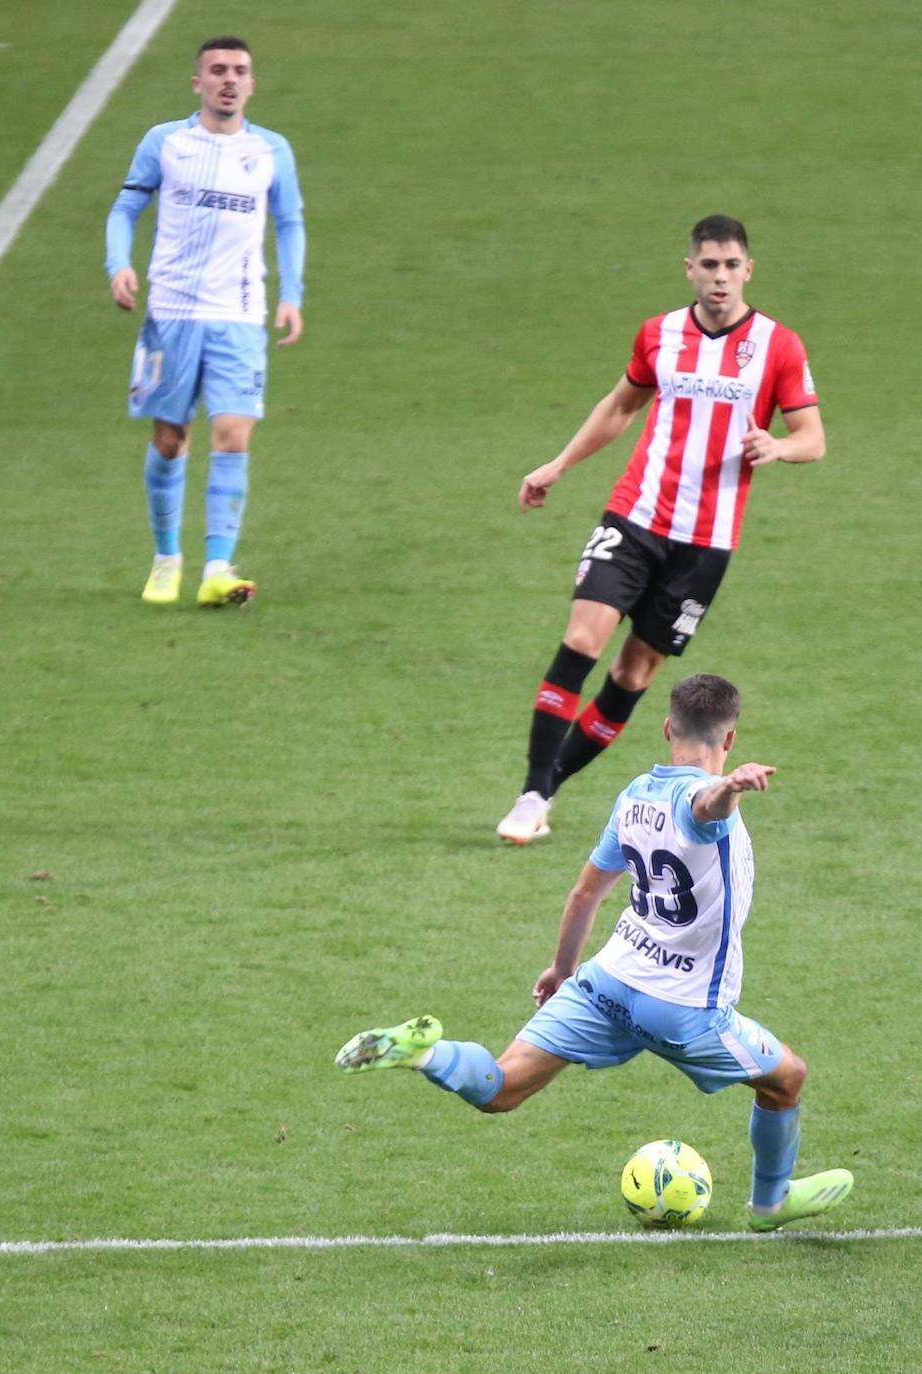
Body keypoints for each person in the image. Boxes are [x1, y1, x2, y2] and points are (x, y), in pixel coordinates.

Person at [337, 674, 854, 1233]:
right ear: (729, 740)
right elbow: (703, 809)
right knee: (787, 1079)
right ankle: (769, 1203)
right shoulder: (703, 801)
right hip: (683, 1007)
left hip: (607, 979)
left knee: (503, 1089)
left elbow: (586, 892)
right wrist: (732, 786)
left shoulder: (634, 795)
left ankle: (424, 1055)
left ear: (666, 729)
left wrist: (561, 970)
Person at [497, 215, 824, 843]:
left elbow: (813, 438)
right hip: (637, 517)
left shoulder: (780, 346)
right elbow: (621, 405)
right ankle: (531, 790)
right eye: (709, 265)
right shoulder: (661, 334)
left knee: (632, 676)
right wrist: (559, 464)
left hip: (705, 544)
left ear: (748, 270)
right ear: (690, 270)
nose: (720, 277)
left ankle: (550, 789)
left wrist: (778, 448)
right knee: (581, 639)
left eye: (731, 265)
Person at [105, 36, 305, 607]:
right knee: (170, 439)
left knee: (234, 432)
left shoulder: (272, 151)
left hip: (239, 315)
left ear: (251, 83)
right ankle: (167, 558)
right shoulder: (166, 143)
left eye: (240, 70)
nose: (229, 79)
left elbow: (289, 223)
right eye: (217, 70)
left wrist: (291, 294)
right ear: (198, 83)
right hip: (172, 311)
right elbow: (125, 209)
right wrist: (119, 264)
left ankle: (218, 566)